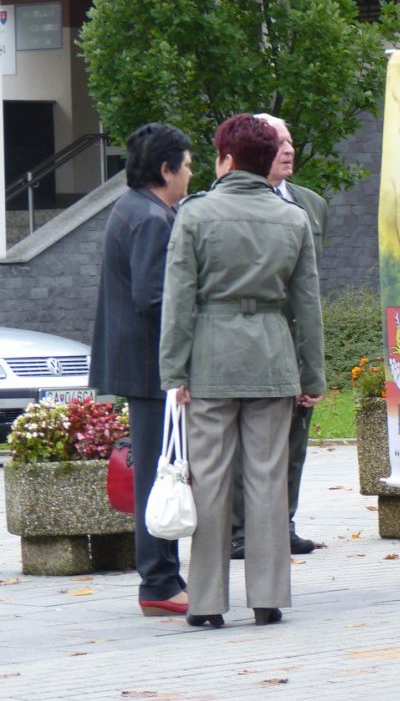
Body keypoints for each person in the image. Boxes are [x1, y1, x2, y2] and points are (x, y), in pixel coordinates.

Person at [159, 114, 325, 629]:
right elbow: (308, 306)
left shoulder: (195, 213)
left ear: (226, 159)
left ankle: (207, 600)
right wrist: (313, 376)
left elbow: (178, 299)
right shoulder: (293, 218)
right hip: (272, 356)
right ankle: (268, 597)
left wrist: (173, 371)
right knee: (268, 477)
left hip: (211, 357)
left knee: (209, 479)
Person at [89, 122, 193, 617]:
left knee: (156, 468)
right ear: (166, 170)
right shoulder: (152, 218)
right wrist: (185, 353)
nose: (191, 174)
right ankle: (159, 581)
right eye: (187, 165)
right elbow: (154, 298)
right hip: (151, 367)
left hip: (139, 363)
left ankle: (165, 575)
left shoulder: (133, 208)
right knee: (157, 472)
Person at [228, 113, 328, 561]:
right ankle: (239, 529)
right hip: (248, 339)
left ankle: (283, 522)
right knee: (244, 441)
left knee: (294, 439)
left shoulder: (311, 205)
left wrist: (312, 363)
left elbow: (310, 287)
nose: (287, 149)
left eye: (290, 141)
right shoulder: (224, 203)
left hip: (295, 338)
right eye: (277, 142)